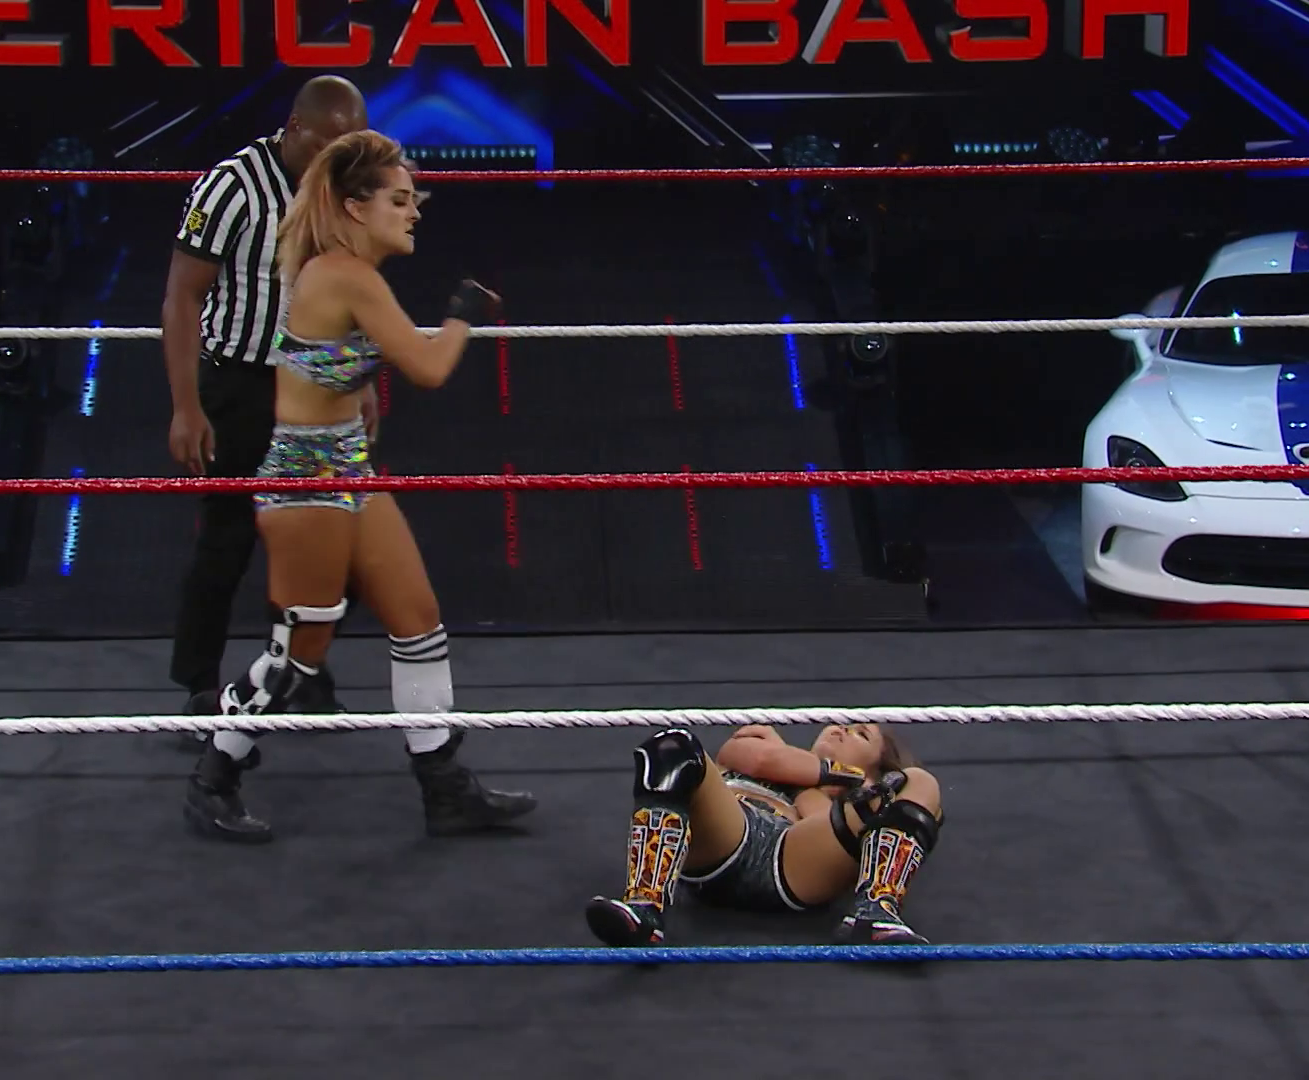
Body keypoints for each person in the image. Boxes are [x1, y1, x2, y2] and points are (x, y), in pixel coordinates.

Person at [183, 129, 538, 843]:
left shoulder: (346, 273)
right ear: (355, 206)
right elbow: (429, 369)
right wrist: (463, 313)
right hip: (305, 477)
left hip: (347, 465)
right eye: (399, 200)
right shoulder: (345, 275)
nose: (414, 212)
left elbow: (343, 367)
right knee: (300, 652)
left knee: (418, 618)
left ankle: (445, 788)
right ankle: (214, 776)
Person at [163, 76, 371, 722]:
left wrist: (358, 380)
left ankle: (296, 671)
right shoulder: (232, 187)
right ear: (295, 127)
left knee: (331, 542)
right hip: (239, 382)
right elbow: (183, 296)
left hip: (313, 385)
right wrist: (187, 406)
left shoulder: (345, 190)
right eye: (327, 144)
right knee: (227, 539)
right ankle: (200, 686)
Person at [586, 723, 941, 946]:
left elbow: (823, 832)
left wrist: (829, 788)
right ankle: (644, 907)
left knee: (919, 782)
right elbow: (753, 758)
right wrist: (834, 773)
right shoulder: (764, 737)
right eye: (844, 724)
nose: (842, 730)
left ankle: (876, 911)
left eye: (861, 735)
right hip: (728, 834)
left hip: (790, 859)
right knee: (672, 746)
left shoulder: (843, 802)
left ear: (874, 769)